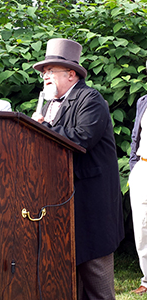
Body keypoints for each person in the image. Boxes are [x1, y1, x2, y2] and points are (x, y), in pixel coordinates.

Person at [32, 38, 124, 300]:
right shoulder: (49, 105)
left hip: (91, 207)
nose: (45, 77)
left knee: (97, 285)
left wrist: (43, 128)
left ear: (71, 74)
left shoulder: (91, 99)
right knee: (68, 285)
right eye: (44, 73)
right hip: (63, 207)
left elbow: (80, 138)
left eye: (51, 71)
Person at [129, 94, 147, 295]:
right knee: (141, 227)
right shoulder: (143, 101)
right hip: (143, 167)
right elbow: (136, 136)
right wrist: (134, 166)